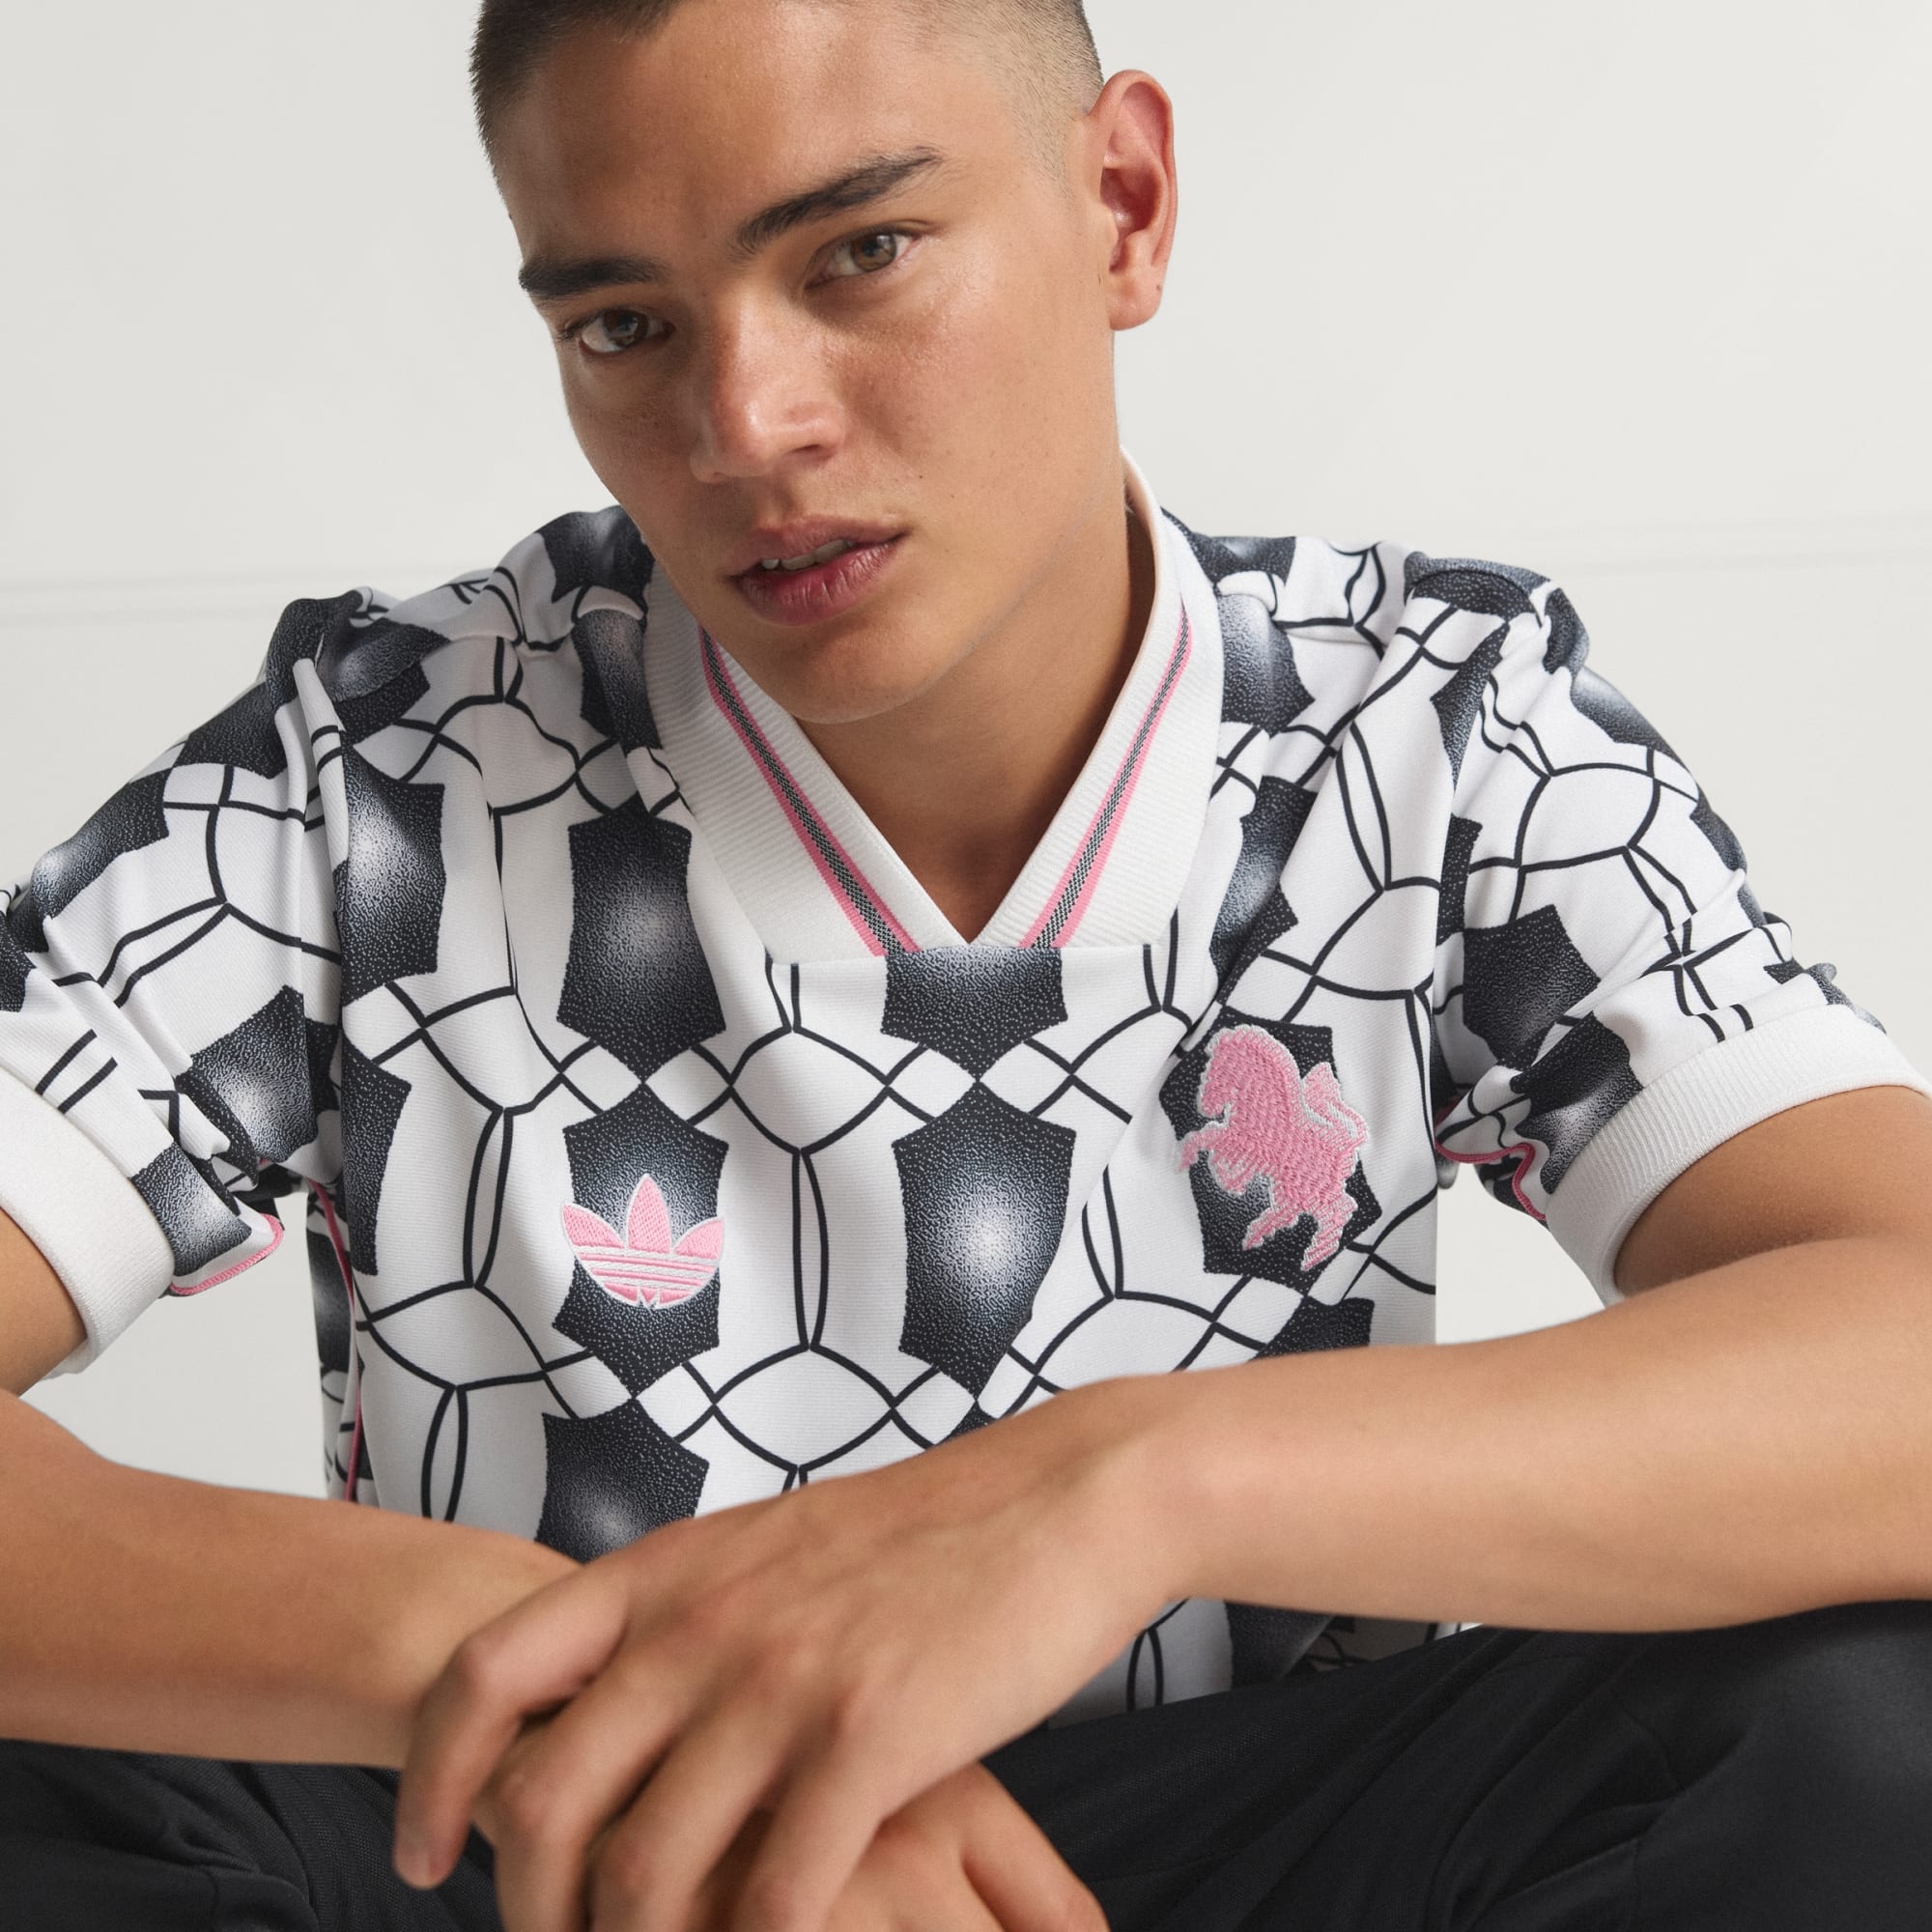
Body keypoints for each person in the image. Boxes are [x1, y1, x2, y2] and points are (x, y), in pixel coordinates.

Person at [3, 0, 1930, 1926]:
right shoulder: (375, 769)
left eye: (859, 252)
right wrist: (587, 1688)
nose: (748, 425)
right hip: (568, 1860)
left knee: (1863, 1702)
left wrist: (1127, 1489)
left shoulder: (1432, 727)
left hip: (1281, 1855)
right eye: (625, 328)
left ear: (1123, 202)